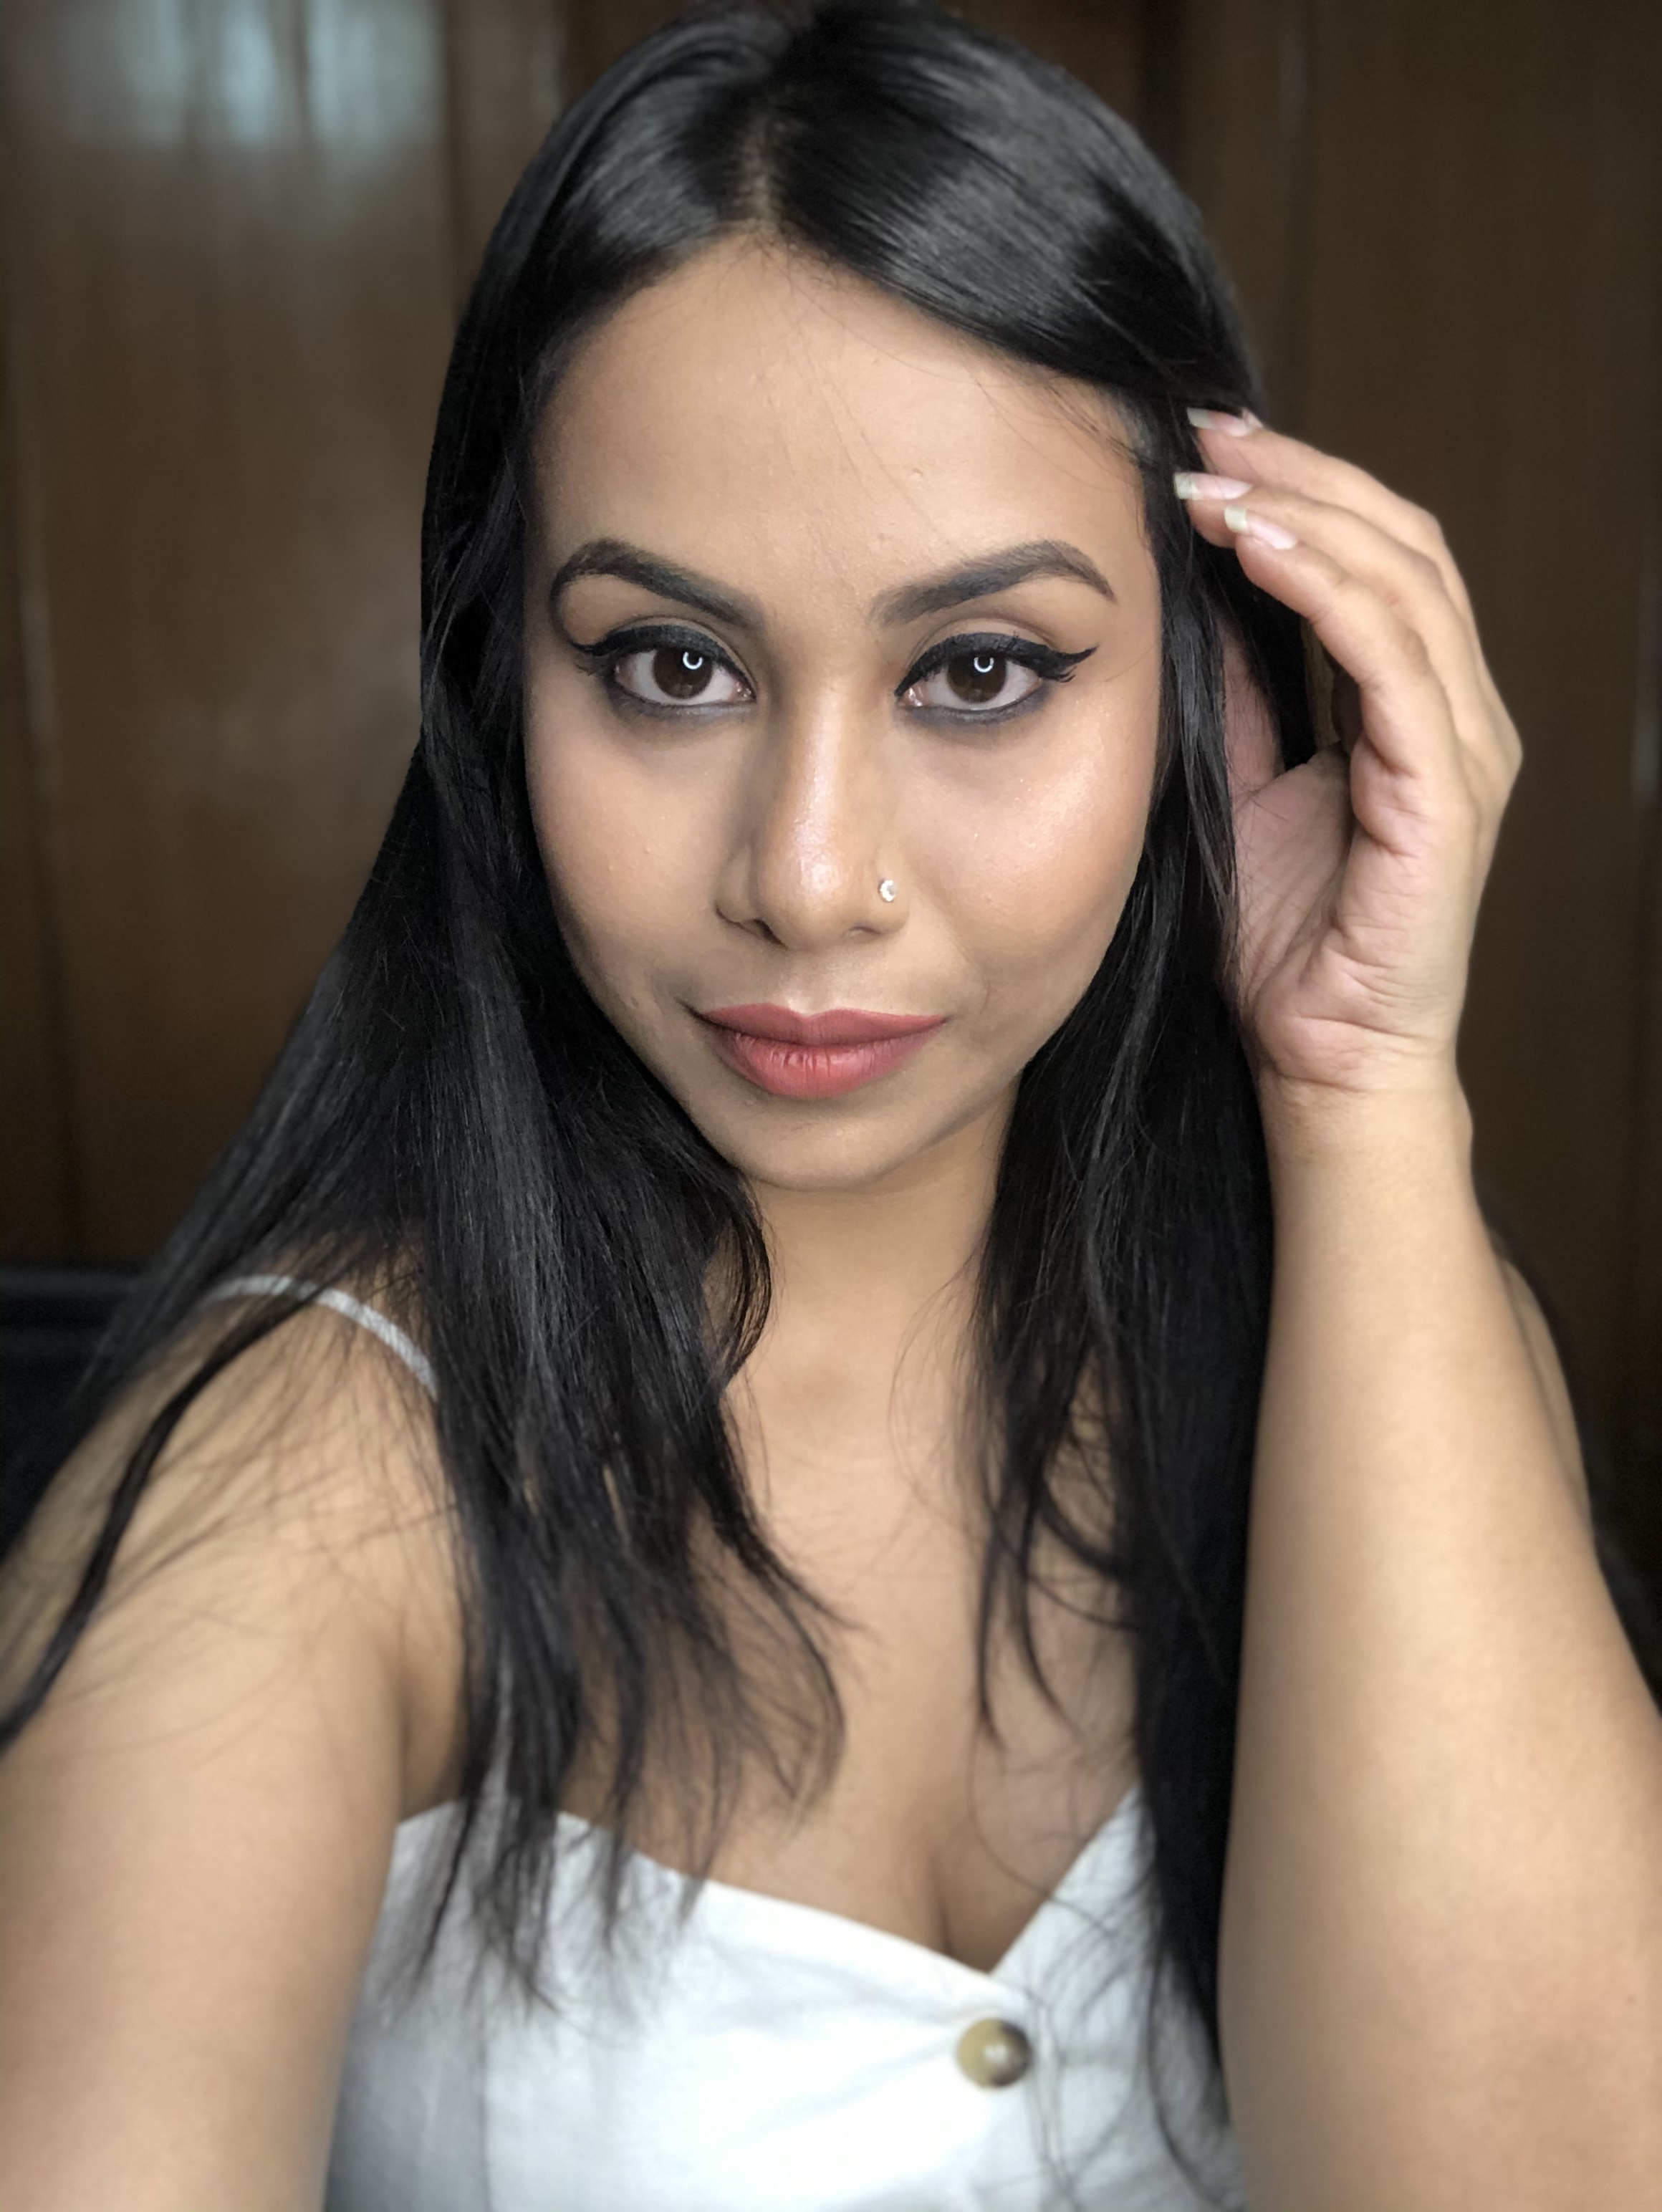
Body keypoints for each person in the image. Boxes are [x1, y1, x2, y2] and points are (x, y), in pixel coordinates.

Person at [2, 3, 1659, 2206]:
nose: (807, 876)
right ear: (501, 692)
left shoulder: (1380, 1323)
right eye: (670, 666)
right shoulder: (286, 1503)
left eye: (980, 673)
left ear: (1211, 687)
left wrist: (1360, 1092)